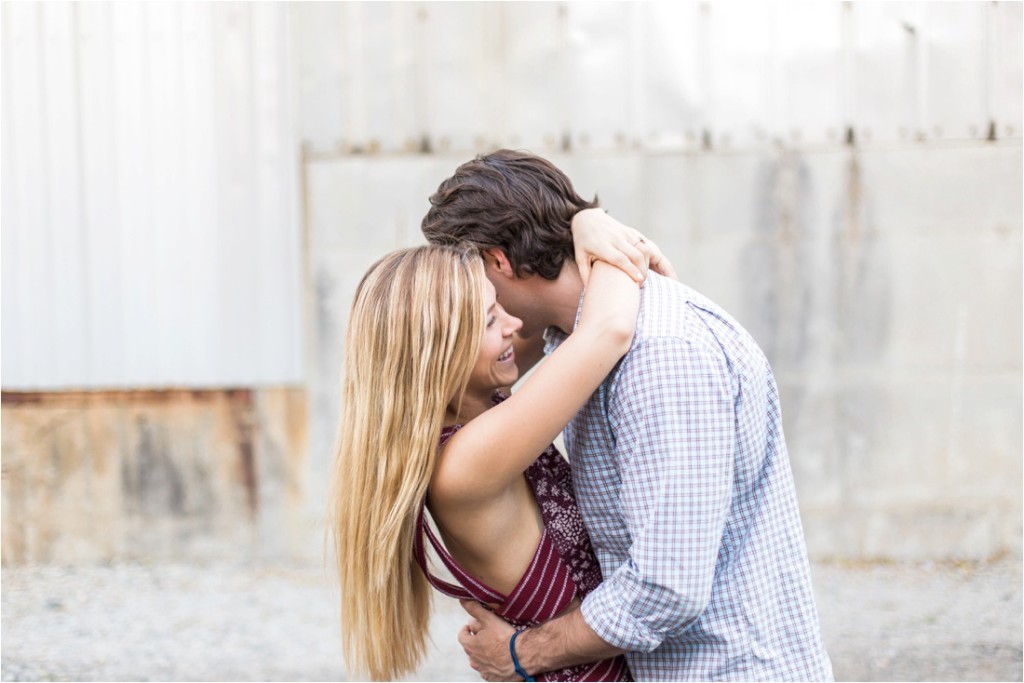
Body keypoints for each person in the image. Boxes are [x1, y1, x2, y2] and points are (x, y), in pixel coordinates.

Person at [422, 149, 834, 681]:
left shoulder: (660, 357)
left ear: (498, 261)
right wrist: (591, 222)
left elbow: (668, 586)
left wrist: (525, 653)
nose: (467, 299)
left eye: (469, 276)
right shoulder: (572, 342)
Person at [328, 216, 673, 681]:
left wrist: (581, 226)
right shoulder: (466, 463)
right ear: (442, 352)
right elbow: (607, 329)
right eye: (491, 319)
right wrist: (592, 224)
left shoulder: (480, 401)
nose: (514, 323)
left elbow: (556, 315)